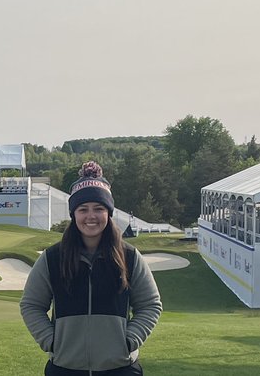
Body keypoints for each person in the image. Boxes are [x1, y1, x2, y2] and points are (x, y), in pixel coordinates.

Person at [20, 161, 162, 376]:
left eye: (99, 208)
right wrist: (52, 342)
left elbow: (150, 305)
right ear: (73, 214)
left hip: (120, 368)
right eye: (83, 209)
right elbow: (31, 305)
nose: (91, 216)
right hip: (65, 367)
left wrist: (129, 340)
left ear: (109, 212)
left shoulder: (130, 256)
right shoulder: (53, 258)